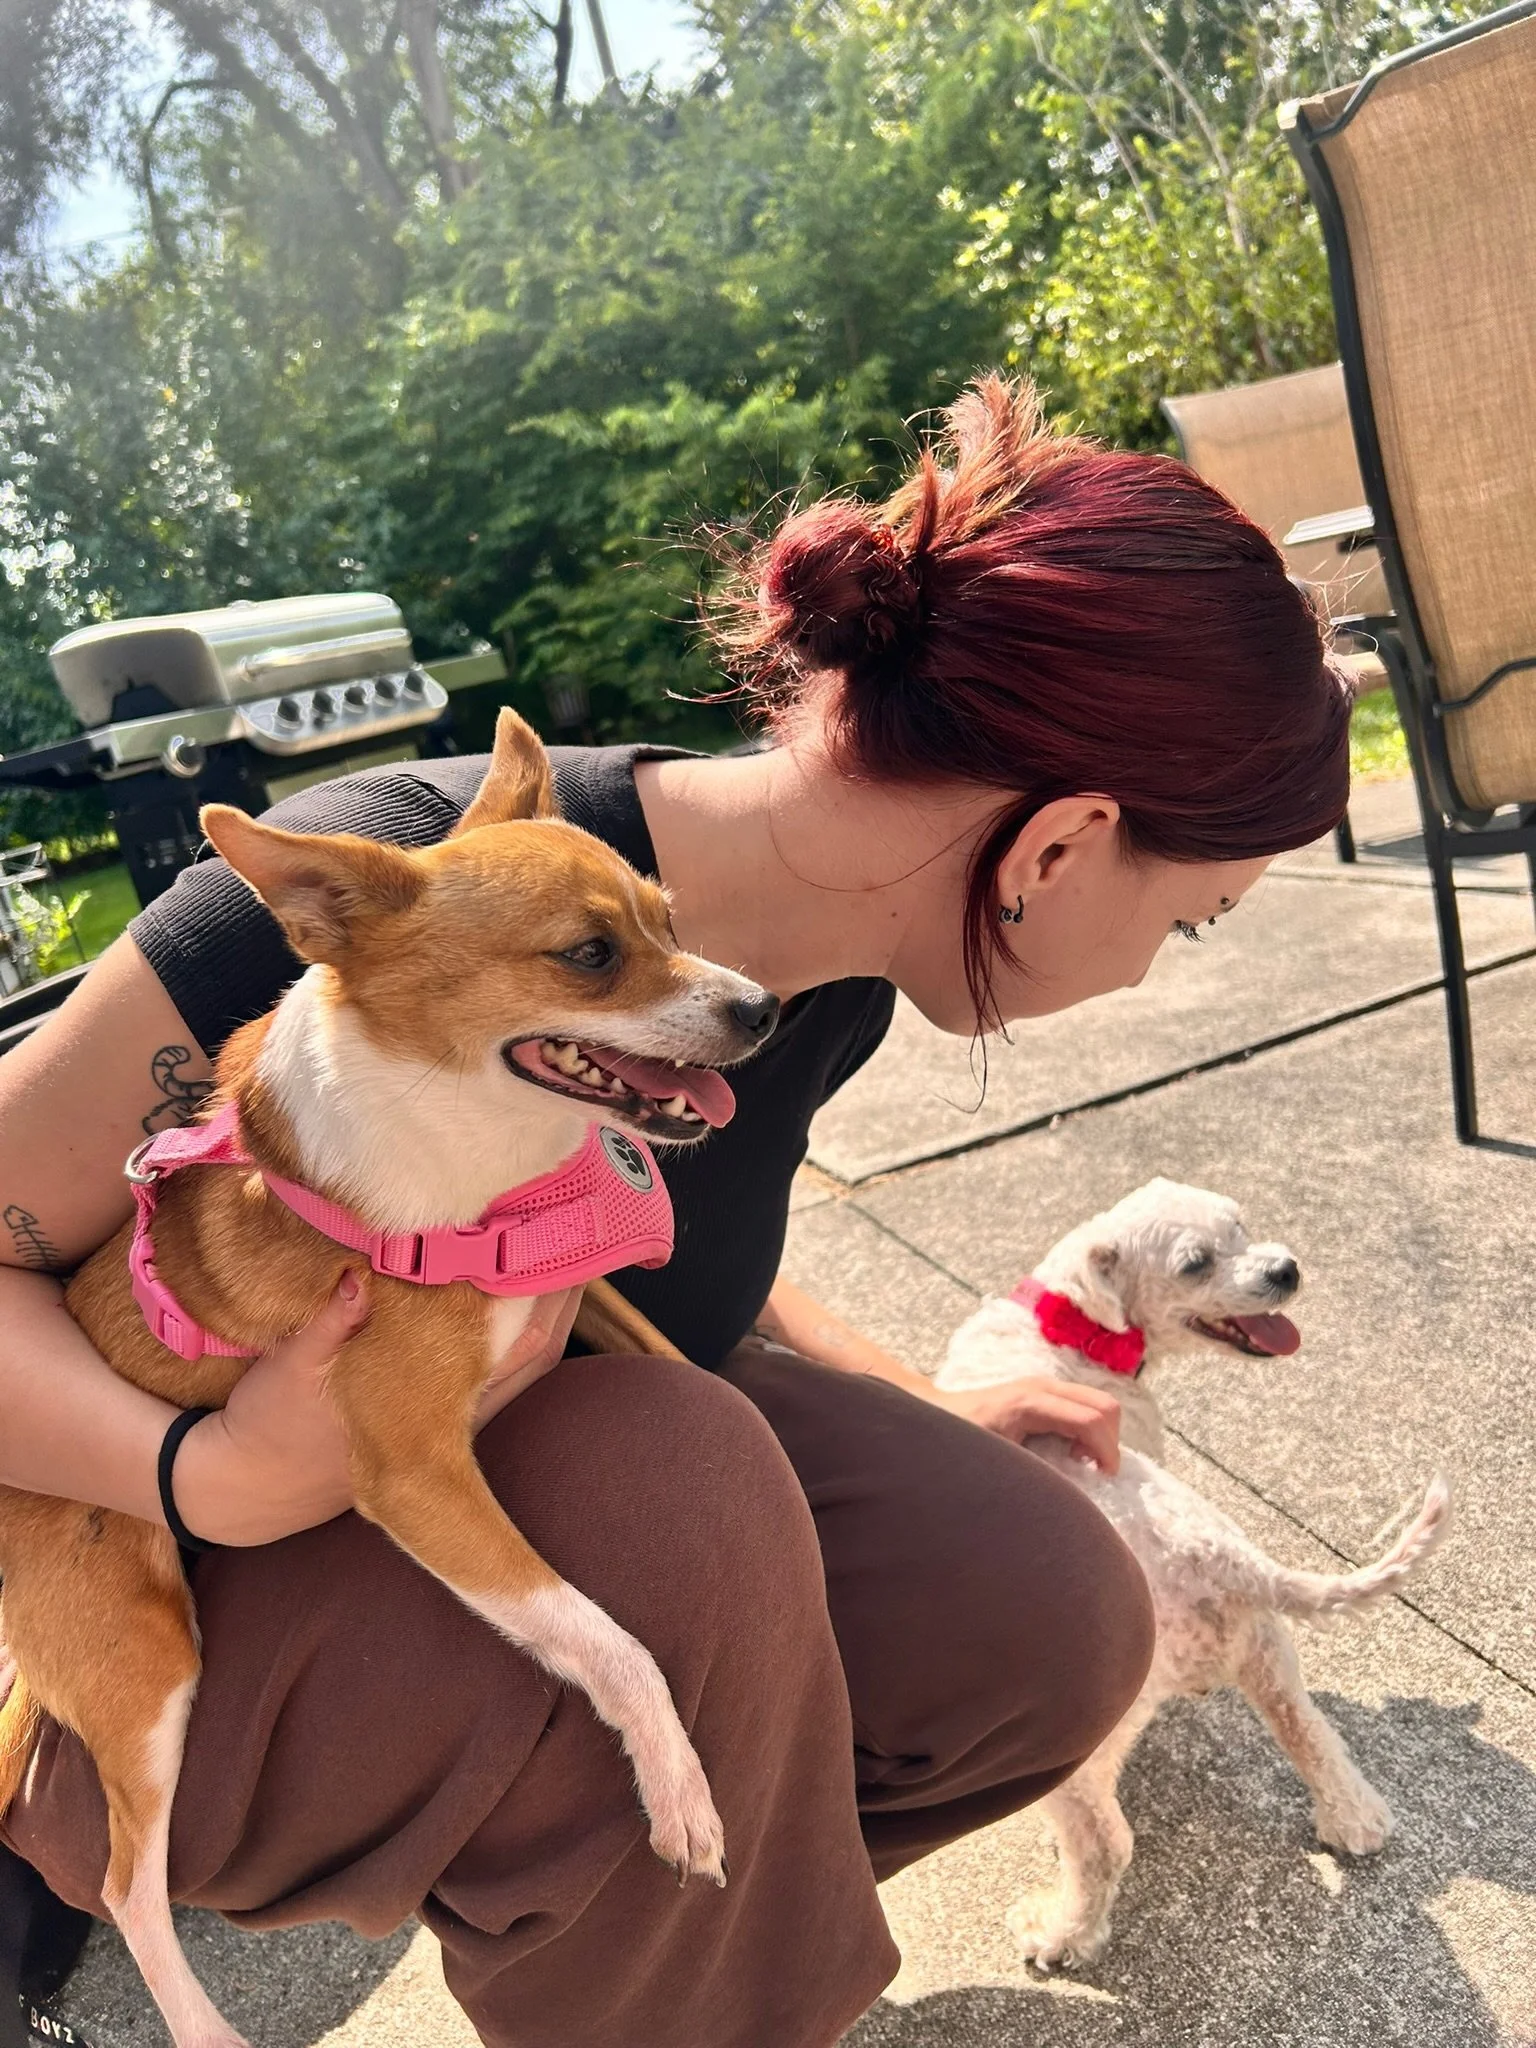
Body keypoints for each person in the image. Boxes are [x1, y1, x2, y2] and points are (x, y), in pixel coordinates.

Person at [0, 377, 1349, 2048]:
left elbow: (687, 1263)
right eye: (1196, 921)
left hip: (485, 1438)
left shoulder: (826, 981)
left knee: (1040, 1604)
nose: (1165, 964)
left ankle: (676, 1949)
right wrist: (196, 1470)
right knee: (677, 1487)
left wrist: (926, 1403)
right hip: (145, 1580)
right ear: (1061, 847)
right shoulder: (384, 895)